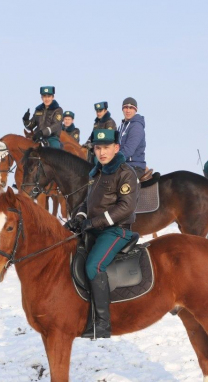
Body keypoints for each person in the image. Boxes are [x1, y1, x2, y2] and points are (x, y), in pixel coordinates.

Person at [68, 129, 139, 340]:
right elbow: (87, 202)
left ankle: (102, 324)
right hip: (94, 229)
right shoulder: (97, 172)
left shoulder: (126, 173)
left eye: (106, 147)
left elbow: (125, 207)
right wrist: (80, 216)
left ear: (116, 148)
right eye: (98, 148)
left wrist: (94, 222)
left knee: (93, 266)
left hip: (117, 230)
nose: (102, 152)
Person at [117, 97, 146, 179]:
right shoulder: (121, 127)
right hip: (123, 165)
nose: (128, 110)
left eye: (131, 108)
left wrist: (113, 160)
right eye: (125, 107)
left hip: (134, 166)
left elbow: (128, 150)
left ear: (135, 110)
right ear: (122, 109)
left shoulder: (136, 126)